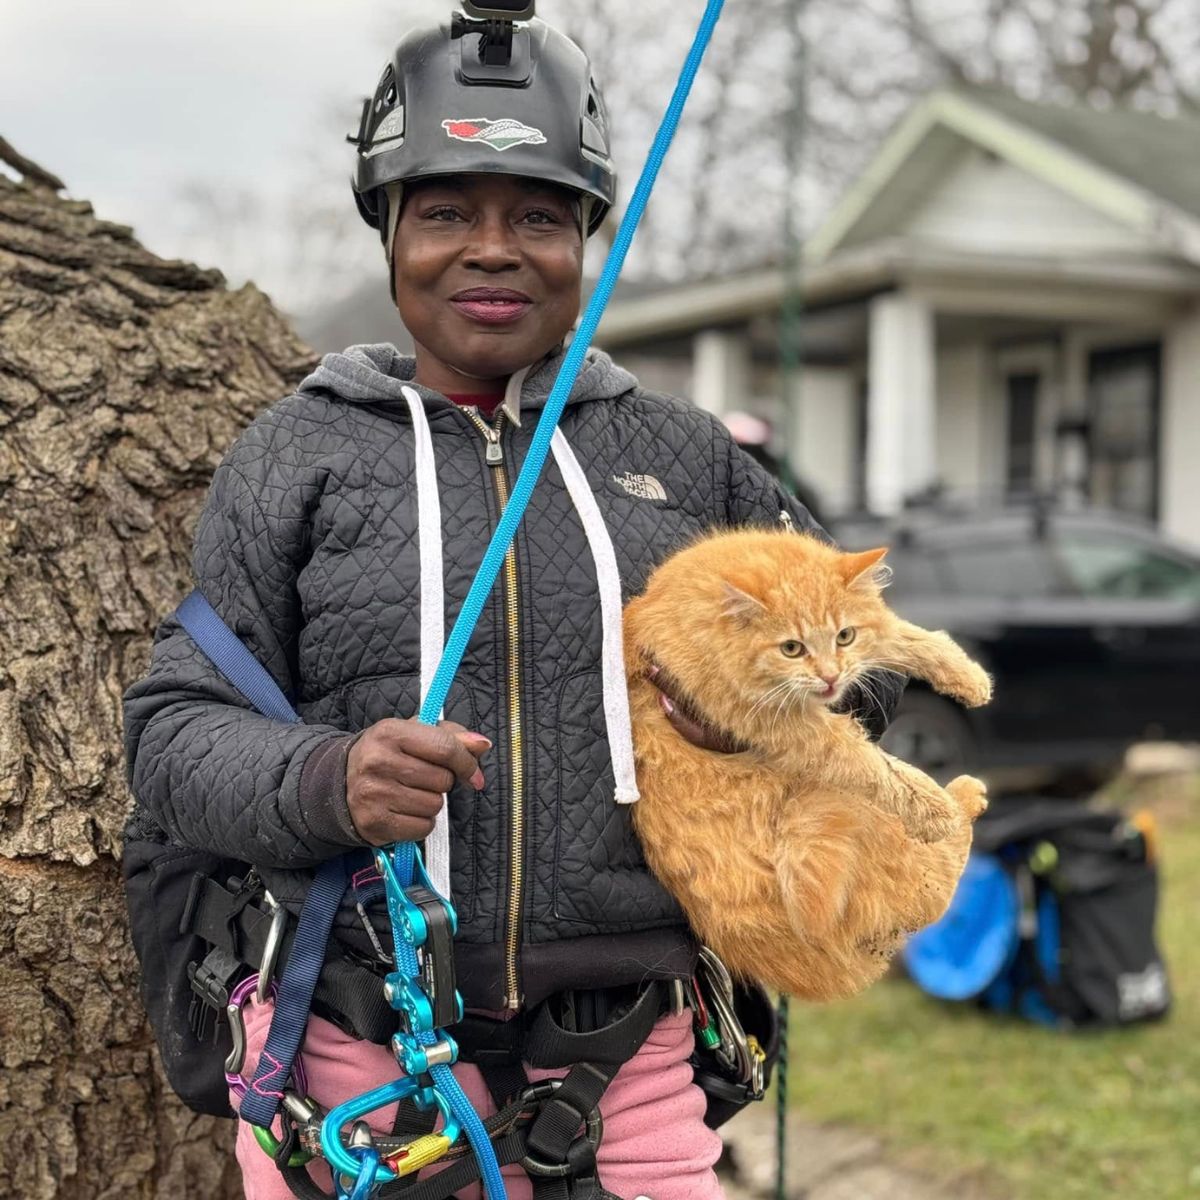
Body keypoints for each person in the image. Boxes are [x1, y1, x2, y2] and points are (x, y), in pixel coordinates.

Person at [122, 12, 902, 1200]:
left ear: (589, 237)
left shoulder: (682, 457)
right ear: (389, 232)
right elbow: (173, 732)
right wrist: (328, 779)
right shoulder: (295, 455)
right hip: (354, 1056)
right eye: (445, 213)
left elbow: (873, 651)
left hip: (623, 1054)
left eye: (537, 215)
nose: (492, 250)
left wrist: (765, 713)